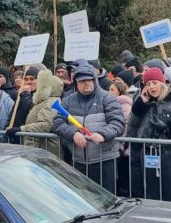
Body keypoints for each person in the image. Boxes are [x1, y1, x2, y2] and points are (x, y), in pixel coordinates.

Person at [52, 64, 125, 193]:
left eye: (89, 80)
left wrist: (103, 134)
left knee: (106, 199)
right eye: (82, 81)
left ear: (94, 80)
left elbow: (118, 123)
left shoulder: (107, 98)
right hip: (79, 161)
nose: (86, 83)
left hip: (105, 160)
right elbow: (57, 123)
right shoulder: (68, 101)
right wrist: (73, 133)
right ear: (76, 83)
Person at [128, 67, 171, 203]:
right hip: (147, 153)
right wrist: (140, 105)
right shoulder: (142, 102)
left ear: (162, 82)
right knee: (151, 195)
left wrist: (169, 127)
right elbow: (132, 126)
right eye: (148, 84)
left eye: (154, 82)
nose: (151, 87)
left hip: (170, 154)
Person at [8, 69, 61, 151]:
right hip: (34, 146)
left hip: (44, 149)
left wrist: (21, 129)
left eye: (32, 79)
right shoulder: (42, 100)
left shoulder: (50, 102)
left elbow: (46, 125)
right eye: (26, 79)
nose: (29, 82)